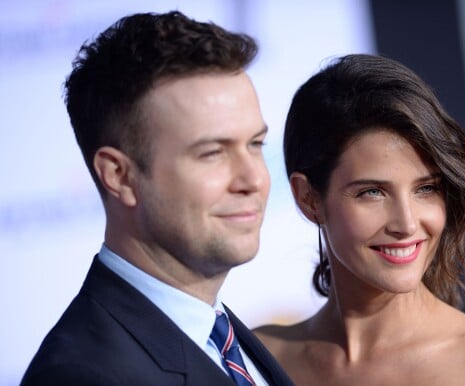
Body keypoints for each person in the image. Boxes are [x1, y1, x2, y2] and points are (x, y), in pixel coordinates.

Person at [254, 54, 465, 385]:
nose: (407, 223)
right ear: (308, 198)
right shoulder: (257, 360)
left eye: (426, 188)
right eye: (373, 192)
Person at [21, 11, 294, 386]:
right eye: (212, 152)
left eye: (255, 144)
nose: (255, 179)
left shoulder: (224, 334)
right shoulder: (82, 374)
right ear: (120, 176)